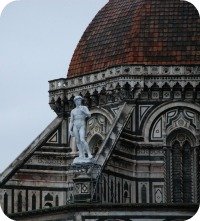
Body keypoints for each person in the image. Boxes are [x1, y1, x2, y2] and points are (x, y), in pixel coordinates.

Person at [69, 96, 93, 160]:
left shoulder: (84, 107)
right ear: (75, 102)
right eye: (77, 100)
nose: (78, 101)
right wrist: (69, 130)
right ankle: (81, 154)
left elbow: (89, 115)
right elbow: (71, 121)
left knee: (82, 139)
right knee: (77, 141)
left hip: (82, 124)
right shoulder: (73, 111)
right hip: (75, 126)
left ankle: (89, 153)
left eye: (79, 100)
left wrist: (84, 111)